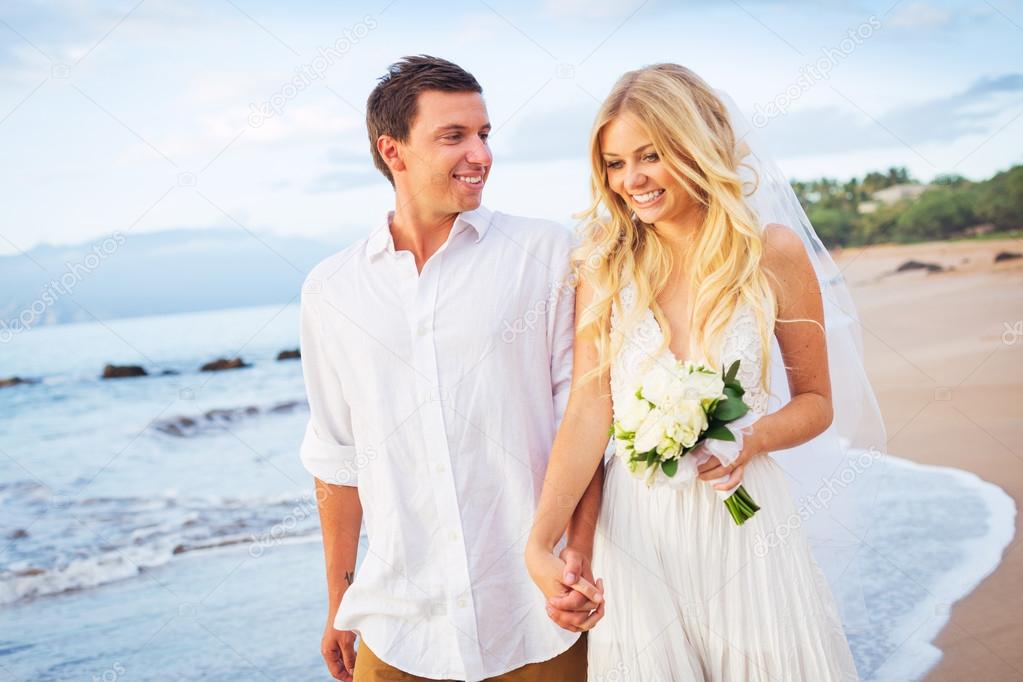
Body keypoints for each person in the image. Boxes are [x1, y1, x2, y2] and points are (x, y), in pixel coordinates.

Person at [525, 63, 868, 680]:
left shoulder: (772, 253)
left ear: (694, 147)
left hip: (746, 520)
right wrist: (540, 541)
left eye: (649, 155)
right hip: (635, 534)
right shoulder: (603, 263)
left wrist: (750, 438)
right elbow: (587, 411)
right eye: (614, 163)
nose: (631, 180)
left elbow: (817, 402)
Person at [298, 55, 602, 682]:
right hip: (398, 627)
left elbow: (586, 419)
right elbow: (336, 457)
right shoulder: (331, 289)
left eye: (485, 134)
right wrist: (339, 603)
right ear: (393, 151)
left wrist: (577, 555)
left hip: (538, 612)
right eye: (454, 136)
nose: (481, 154)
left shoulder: (544, 253)